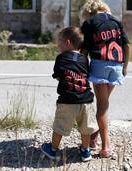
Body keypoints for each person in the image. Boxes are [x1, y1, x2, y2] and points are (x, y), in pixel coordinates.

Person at [80, 0, 130, 158]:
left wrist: (81, 69)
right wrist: (125, 67)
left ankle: (106, 146)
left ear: (88, 11)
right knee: (105, 103)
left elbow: (84, 51)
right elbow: (127, 46)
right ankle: (94, 137)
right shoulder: (117, 21)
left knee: (102, 106)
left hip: (100, 64)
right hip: (116, 66)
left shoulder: (90, 23)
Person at [41, 27, 97, 162]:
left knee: (60, 126)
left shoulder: (61, 58)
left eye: (59, 43)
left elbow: (59, 77)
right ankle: (85, 151)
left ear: (67, 42)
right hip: (86, 100)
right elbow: (86, 75)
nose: (58, 46)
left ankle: (53, 149)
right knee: (86, 128)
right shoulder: (84, 59)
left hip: (67, 100)